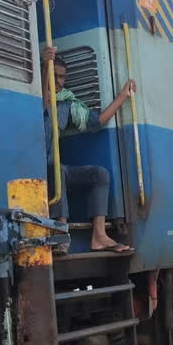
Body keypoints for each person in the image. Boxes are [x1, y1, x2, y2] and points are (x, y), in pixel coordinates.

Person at [41, 45, 134, 254]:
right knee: (56, 169)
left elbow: (96, 122)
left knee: (99, 174)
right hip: (34, 170)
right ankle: (60, 233)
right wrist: (43, 69)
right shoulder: (30, 95)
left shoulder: (67, 102)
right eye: (53, 75)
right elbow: (41, 105)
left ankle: (99, 236)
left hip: (54, 170)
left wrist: (122, 96)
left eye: (62, 77)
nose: (58, 81)